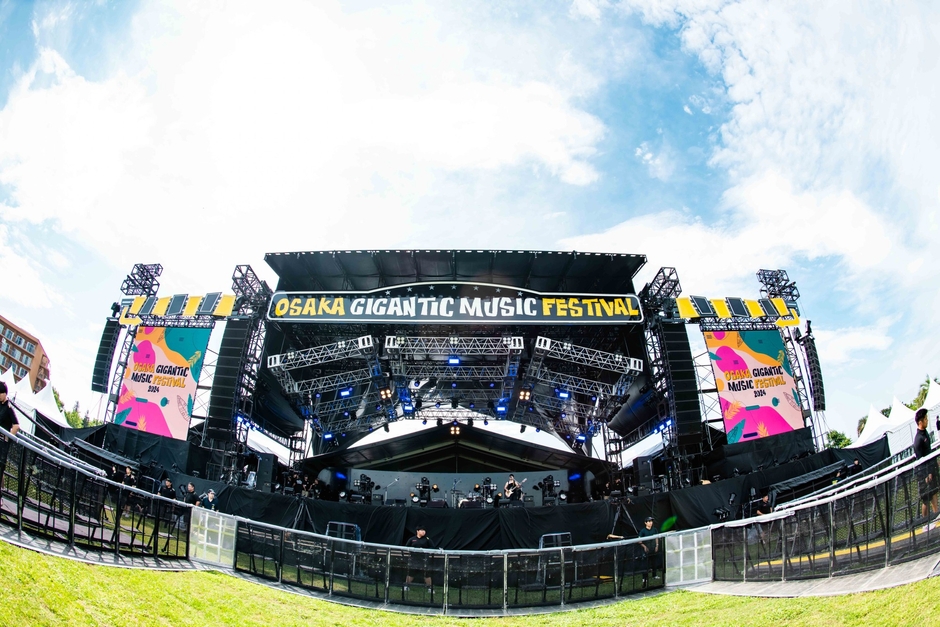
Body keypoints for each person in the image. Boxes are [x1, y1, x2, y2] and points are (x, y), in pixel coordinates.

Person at [913, 408, 938, 523]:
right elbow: (920, 460)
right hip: (924, 474)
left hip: (931, 469)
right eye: (925, 419)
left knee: (934, 493)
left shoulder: (925, 433)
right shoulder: (918, 439)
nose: (927, 420)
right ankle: (925, 523)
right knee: (926, 500)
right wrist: (926, 475)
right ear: (920, 422)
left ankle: (937, 516)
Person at [404, 525, 435, 593]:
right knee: (411, 573)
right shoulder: (412, 539)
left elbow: (432, 547)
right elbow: (406, 547)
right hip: (414, 559)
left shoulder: (427, 539)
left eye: (424, 530)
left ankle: (430, 588)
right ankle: (406, 586)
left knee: (427, 574)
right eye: (421, 530)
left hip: (424, 559)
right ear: (417, 531)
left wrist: (424, 550)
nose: (423, 532)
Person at [637, 516, 660, 588]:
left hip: (653, 549)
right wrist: (644, 547)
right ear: (645, 523)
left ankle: (654, 575)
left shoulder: (654, 529)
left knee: (654, 563)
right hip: (646, 551)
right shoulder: (643, 531)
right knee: (645, 565)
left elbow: (656, 538)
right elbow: (639, 541)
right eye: (649, 521)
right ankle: (644, 578)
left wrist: (657, 545)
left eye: (651, 521)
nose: (650, 523)